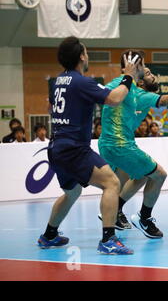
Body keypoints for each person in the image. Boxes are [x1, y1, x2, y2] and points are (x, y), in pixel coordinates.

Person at [37, 36, 139, 255]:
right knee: (112, 183)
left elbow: (50, 107)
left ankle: (49, 235)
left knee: (71, 193)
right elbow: (114, 98)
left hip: (56, 148)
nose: (88, 55)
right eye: (86, 51)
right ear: (81, 56)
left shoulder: (57, 82)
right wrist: (128, 76)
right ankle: (108, 240)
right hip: (73, 149)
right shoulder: (82, 82)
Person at [98, 58, 168, 238]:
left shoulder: (126, 89)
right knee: (159, 175)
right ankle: (143, 218)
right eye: (149, 73)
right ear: (141, 80)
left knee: (139, 175)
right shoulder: (140, 94)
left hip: (111, 144)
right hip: (120, 144)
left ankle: (116, 208)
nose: (154, 76)